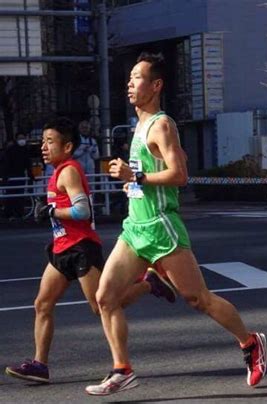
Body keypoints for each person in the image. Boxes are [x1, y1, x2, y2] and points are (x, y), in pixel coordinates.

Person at [85, 52, 267, 396]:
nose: (129, 83)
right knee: (105, 297)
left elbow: (180, 175)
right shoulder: (139, 125)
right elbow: (158, 174)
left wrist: (135, 174)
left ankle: (249, 342)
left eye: (137, 78)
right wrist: (134, 183)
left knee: (198, 299)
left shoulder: (162, 124)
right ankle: (122, 369)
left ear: (156, 85)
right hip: (135, 228)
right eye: (129, 78)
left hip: (161, 226)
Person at [5, 117, 176, 384]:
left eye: (50, 142)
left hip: (81, 248)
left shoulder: (69, 170)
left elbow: (82, 210)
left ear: (68, 146)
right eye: (43, 142)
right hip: (61, 249)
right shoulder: (57, 170)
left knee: (102, 307)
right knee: (42, 304)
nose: (44, 147)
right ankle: (40, 364)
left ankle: (148, 283)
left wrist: (51, 210)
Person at [2, 133, 35, 220]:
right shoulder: (11, 150)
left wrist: (30, 174)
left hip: (19, 175)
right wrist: (5, 176)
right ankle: (10, 214)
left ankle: (18, 213)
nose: (22, 140)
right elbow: (6, 164)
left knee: (19, 195)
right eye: (20, 138)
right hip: (12, 175)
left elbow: (27, 163)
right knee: (12, 195)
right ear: (16, 139)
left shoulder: (24, 149)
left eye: (23, 138)